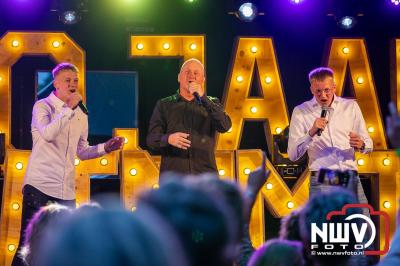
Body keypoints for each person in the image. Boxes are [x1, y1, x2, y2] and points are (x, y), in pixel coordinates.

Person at [12, 62, 124, 266]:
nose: (73, 84)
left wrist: (106, 148)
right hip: (40, 186)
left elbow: (81, 150)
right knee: (30, 248)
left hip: (66, 191)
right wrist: (68, 109)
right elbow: (47, 133)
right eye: (68, 80)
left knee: (63, 248)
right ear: (55, 83)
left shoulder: (81, 113)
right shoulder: (42, 106)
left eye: (75, 80)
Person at [287, 67, 372, 203]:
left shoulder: (350, 106)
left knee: (361, 223)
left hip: (349, 178)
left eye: (327, 90)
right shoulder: (301, 111)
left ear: (334, 87)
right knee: (323, 225)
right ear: (311, 90)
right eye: (318, 91)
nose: (323, 96)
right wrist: (311, 132)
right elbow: (292, 154)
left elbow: (368, 143)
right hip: (322, 179)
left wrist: (362, 145)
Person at [146, 58, 231, 175]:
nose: (192, 76)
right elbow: (151, 140)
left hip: (205, 179)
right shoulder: (164, 105)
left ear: (203, 79)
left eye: (196, 73)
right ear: (178, 77)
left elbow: (225, 126)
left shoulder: (212, 103)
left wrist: (203, 98)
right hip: (174, 180)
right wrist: (168, 139)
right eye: (187, 72)